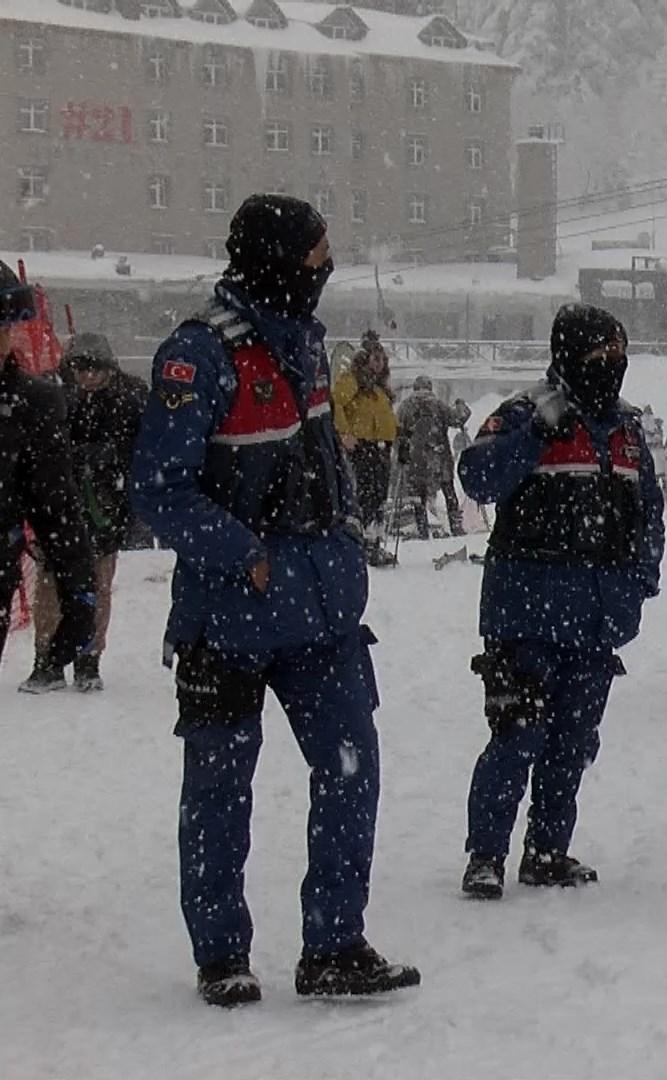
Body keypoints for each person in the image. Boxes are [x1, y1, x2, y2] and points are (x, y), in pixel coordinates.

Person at [130, 194, 418, 1006]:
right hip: (229, 616)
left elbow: (325, 458)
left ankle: (334, 944)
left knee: (352, 766)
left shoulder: (308, 344)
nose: (325, 268)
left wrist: (346, 535)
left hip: (321, 610)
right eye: (315, 255)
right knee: (219, 791)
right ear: (276, 260)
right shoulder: (200, 354)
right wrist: (245, 555)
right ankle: (221, 953)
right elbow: (159, 489)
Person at [457, 304, 664, 900]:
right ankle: (486, 855)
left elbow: (648, 513)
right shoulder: (524, 413)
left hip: (596, 616)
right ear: (571, 354)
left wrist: (640, 580)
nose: (612, 364)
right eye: (601, 353)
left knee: (573, 742)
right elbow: (476, 478)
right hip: (526, 611)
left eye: (619, 354)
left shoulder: (626, 431)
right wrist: (531, 439)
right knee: (516, 734)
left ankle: (547, 850)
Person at [24, 332, 141, 692]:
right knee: (49, 586)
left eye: (96, 370)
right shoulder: (49, 394)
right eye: (82, 369)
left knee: (98, 586)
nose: (89, 377)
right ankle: (47, 659)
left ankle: (88, 660)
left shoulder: (129, 398)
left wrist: (110, 462)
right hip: (57, 507)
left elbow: (140, 451)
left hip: (105, 506)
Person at [0, 264, 95, 681]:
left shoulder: (29, 403)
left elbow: (54, 503)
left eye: (7, 327)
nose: (4, 340)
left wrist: (79, 590)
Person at [334, 330, 398, 565]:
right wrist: (344, 433)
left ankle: (373, 541)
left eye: (382, 359)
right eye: (375, 358)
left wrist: (400, 434)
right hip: (363, 446)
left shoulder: (379, 389)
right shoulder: (353, 381)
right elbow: (335, 402)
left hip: (381, 447)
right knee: (366, 494)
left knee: (379, 496)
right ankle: (361, 542)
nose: (380, 363)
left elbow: (386, 418)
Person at [394, 375, 470, 538]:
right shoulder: (438, 405)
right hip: (439, 458)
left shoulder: (405, 406)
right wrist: (461, 405)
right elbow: (459, 419)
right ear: (430, 388)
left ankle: (422, 529)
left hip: (416, 459)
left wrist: (401, 451)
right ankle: (456, 526)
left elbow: (397, 430)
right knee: (449, 491)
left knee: (418, 496)